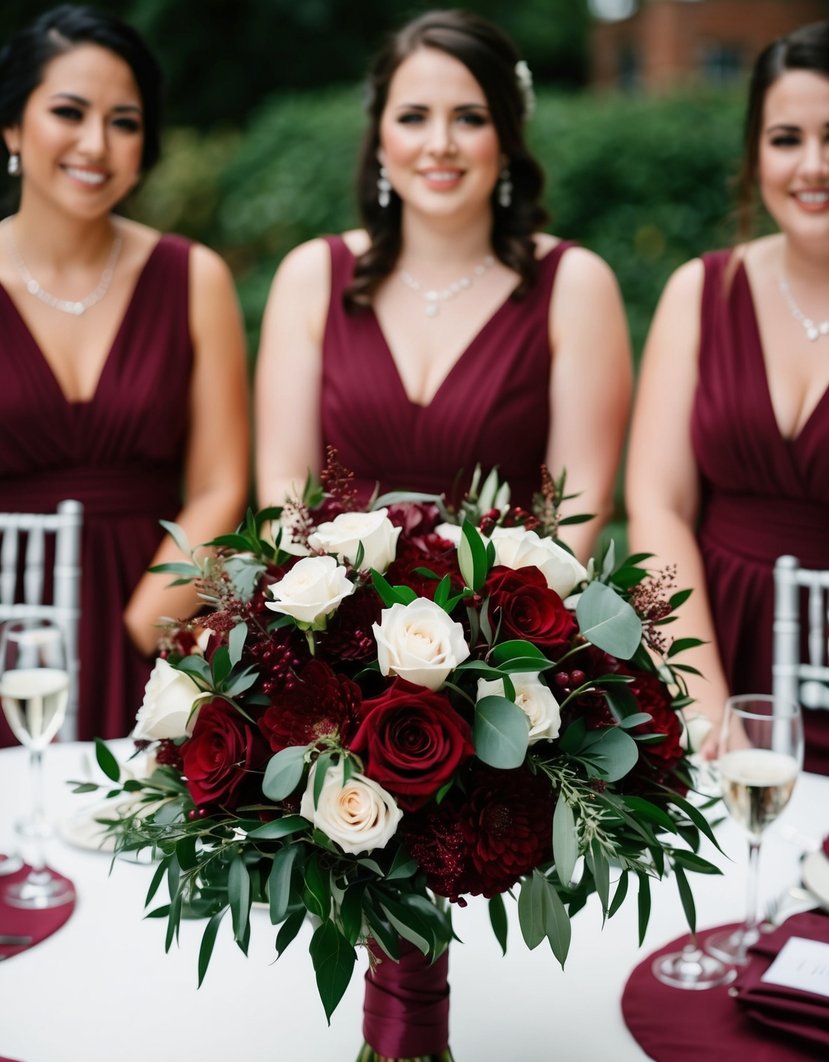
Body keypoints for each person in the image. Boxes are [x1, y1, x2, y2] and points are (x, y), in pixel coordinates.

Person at [255, 8, 631, 563]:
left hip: (505, 636)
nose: (440, 143)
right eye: (412, 117)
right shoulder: (311, 276)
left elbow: (573, 516)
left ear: (506, 135)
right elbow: (284, 496)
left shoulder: (576, 285)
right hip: (333, 629)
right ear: (380, 136)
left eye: (469, 118)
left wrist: (492, 641)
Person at [0, 5, 249, 743]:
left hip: (154, 613)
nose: (95, 144)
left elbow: (220, 484)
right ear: (12, 127)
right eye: (68, 112)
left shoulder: (192, 276)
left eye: (125, 121)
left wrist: (146, 626)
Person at [625, 20, 829, 773]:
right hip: (710, 656)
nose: (812, 166)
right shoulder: (701, 292)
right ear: (753, 153)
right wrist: (704, 707)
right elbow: (657, 504)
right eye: (785, 138)